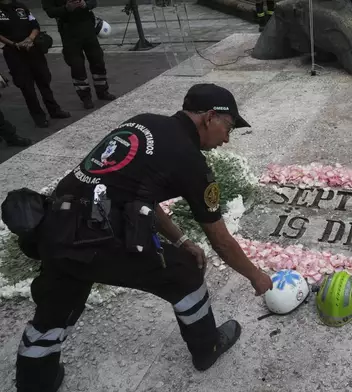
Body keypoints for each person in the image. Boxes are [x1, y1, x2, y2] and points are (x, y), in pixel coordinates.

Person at [13, 83, 274, 391]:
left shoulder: (144, 121)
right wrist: (255, 276)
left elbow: (138, 193)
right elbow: (220, 240)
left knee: (57, 303)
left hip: (55, 224)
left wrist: (180, 240)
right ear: (208, 117)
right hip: (97, 235)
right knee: (184, 274)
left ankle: (34, 381)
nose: (227, 139)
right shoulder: (190, 160)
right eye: (227, 127)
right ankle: (207, 348)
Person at [0, 0, 71, 128]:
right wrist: (15, 44)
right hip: (14, 52)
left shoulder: (20, 7)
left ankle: (54, 110)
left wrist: (30, 39)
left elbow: (35, 25)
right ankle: (38, 116)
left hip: (33, 49)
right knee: (27, 87)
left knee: (44, 81)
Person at [42, 0, 116, 109]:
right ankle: (85, 97)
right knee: (77, 65)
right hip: (68, 31)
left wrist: (86, 4)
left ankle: (102, 91)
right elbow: (50, 12)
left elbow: (93, 2)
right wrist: (66, 8)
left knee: (97, 59)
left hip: (87, 27)